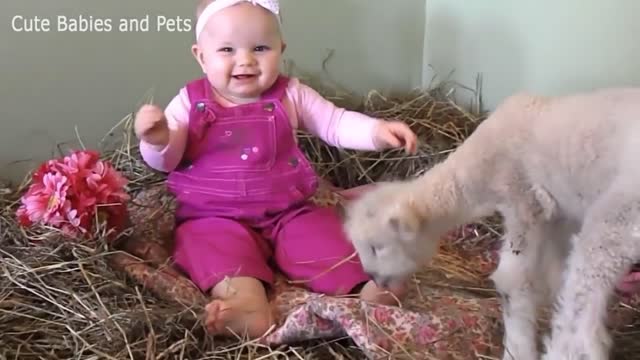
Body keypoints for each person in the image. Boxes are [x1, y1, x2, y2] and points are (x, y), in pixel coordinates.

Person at [134, 0, 417, 339]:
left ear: (280, 50)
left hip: (288, 210)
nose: (245, 60)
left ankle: (366, 290)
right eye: (227, 49)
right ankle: (246, 308)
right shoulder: (188, 101)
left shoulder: (291, 94)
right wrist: (157, 138)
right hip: (213, 217)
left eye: (260, 48)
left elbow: (334, 123)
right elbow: (166, 160)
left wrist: (375, 132)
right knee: (220, 256)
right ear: (201, 55)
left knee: (324, 240)